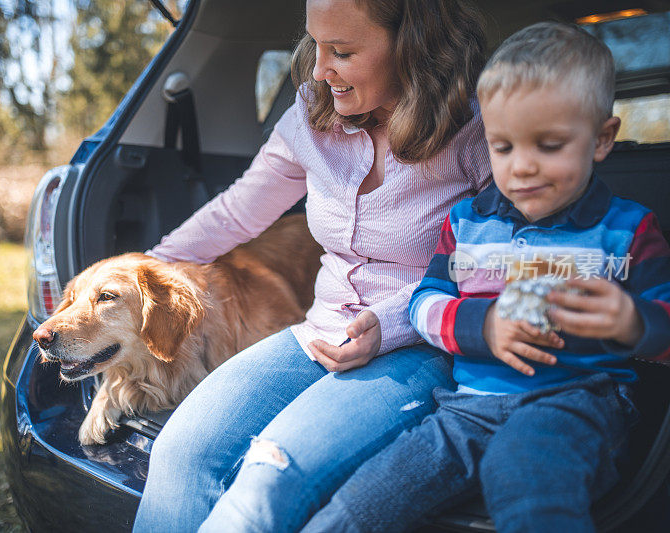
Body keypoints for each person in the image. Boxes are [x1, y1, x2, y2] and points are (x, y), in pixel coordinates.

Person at [132, 1, 491, 531]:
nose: (320, 70)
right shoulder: (310, 111)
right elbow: (237, 212)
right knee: (180, 453)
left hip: (423, 346)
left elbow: (504, 258)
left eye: (342, 52)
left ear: (412, 46)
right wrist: (145, 266)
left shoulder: (476, 128)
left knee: (268, 480)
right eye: (315, 46)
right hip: (315, 333)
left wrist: (388, 326)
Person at [302, 21, 670, 533]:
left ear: (602, 139)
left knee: (523, 471)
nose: (522, 168)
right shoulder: (469, 223)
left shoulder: (627, 231)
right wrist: (485, 327)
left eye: (549, 145)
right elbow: (425, 303)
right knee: (364, 500)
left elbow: (665, 327)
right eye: (503, 147)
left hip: (575, 402)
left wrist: (632, 321)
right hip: (467, 410)